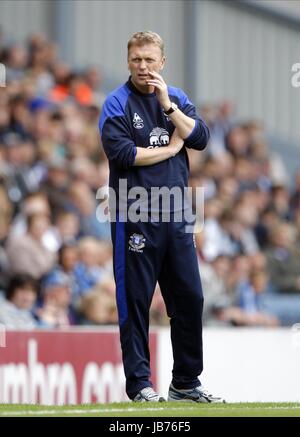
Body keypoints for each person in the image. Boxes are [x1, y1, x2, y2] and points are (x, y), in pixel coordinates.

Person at [99, 31, 224, 403]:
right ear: (128, 61)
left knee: (190, 299)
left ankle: (185, 382)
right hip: (133, 214)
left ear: (162, 62)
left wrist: (169, 107)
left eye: (150, 59)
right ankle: (139, 385)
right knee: (135, 302)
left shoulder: (178, 98)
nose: (143, 66)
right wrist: (171, 149)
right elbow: (123, 154)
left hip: (177, 214)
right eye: (137, 59)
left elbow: (200, 138)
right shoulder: (116, 103)